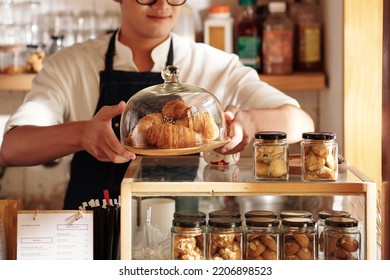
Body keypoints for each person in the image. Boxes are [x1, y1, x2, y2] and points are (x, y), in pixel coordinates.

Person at [0, 0, 314, 210]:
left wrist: (250, 123)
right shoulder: (72, 64)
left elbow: (301, 123)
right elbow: (12, 148)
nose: (162, 5)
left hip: (188, 240)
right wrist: (82, 134)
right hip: (93, 240)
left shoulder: (215, 64)